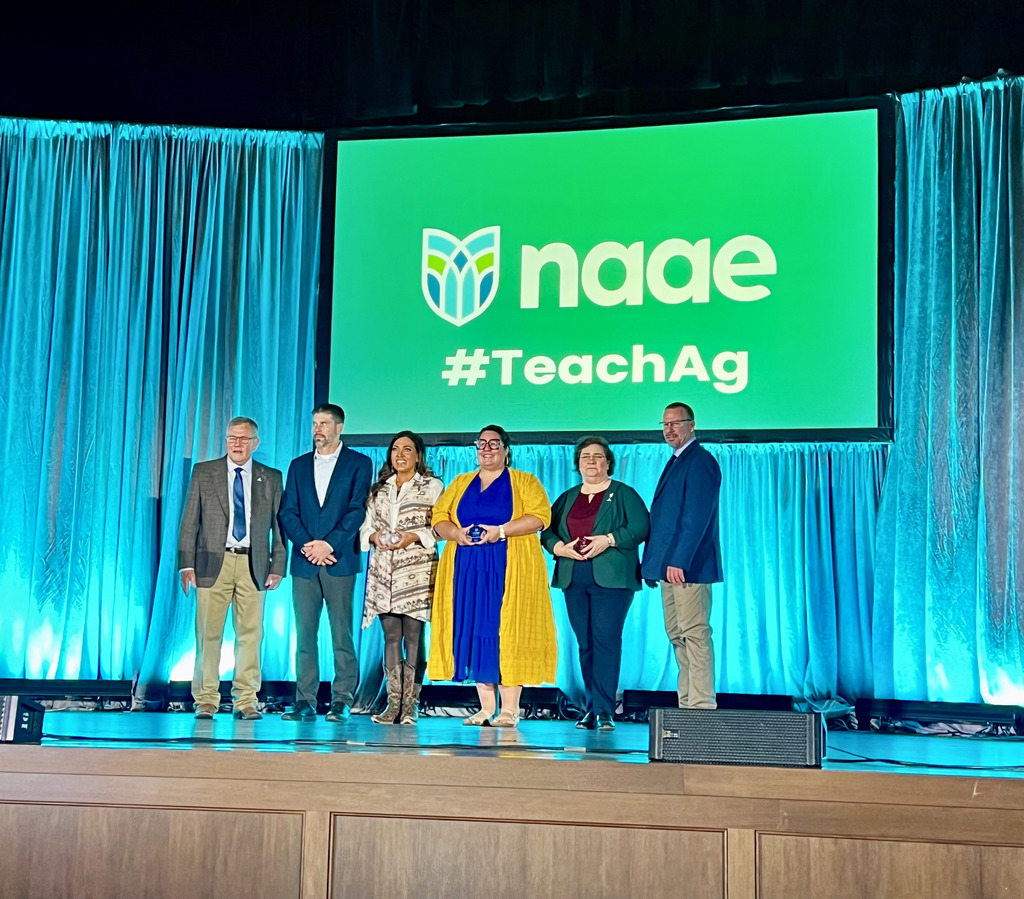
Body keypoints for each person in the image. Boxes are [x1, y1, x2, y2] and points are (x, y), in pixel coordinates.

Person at [428, 425, 556, 728]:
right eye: (481, 444)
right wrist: (456, 533)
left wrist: (499, 531)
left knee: (506, 632)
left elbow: (540, 517)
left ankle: (509, 710)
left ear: (506, 449)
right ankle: (486, 707)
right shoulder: (460, 483)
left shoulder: (524, 482)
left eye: (494, 444)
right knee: (473, 629)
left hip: (506, 568)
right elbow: (438, 520)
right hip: (466, 569)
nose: (487, 449)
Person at [177, 416, 285, 720]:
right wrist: (186, 564)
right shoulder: (204, 472)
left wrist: (277, 564)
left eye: (243, 439)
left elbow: (280, 525)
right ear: (225, 441)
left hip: (254, 564)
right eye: (232, 438)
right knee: (207, 634)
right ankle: (206, 699)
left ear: (255, 443)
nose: (237, 444)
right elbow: (189, 521)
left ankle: (246, 699)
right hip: (212, 563)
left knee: (251, 635)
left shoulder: (272, 477)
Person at [541, 436, 649, 731]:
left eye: (598, 456)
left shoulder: (624, 494)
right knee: (585, 643)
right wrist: (560, 548)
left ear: (608, 463)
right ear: (578, 463)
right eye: (585, 456)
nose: (591, 461)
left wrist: (608, 540)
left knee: (606, 641)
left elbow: (640, 527)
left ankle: (604, 711)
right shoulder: (566, 497)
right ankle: (591, 707)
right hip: (574, 579)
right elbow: (547, 533)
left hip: (612, 580)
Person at [278, 404, 373, 721]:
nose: (317, 429)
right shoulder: (298, 465)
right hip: (306, 562)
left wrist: (328, 544)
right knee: (305, 634)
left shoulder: (359, 463)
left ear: (339, 428)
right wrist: (308, 546)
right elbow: (288, 512)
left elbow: (356, 511)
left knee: (341, 633)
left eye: (324, 423)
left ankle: (342, 699)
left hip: (339, 560)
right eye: (314, 423)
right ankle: (304, 700)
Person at [641, 402, 723, 709]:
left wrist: (679, 560)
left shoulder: (699, 461)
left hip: (687, 568)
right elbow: (664, 519)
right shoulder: (677, 461)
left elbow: (696, 517)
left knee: (695, 633)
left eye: (676, 423)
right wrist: (653, 565)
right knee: (677, 635)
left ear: (692, 425)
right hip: (667, 567)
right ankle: (687, 703)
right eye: (665, 424)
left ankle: (701, 705)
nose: (669, 429)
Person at [359, 431, 443, 725]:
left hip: (417, 568)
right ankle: (393, 703)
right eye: (395, 449)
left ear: (418, 455)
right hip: (384, 569)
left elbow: (440, 527)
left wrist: (413, 536)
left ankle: (411, 704)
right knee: (391, 636)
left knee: (414, 636)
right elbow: (364, 528)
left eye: (407, 449)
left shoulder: (432, 486)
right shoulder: (379, 489)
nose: (400, 455)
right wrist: (375, 536)